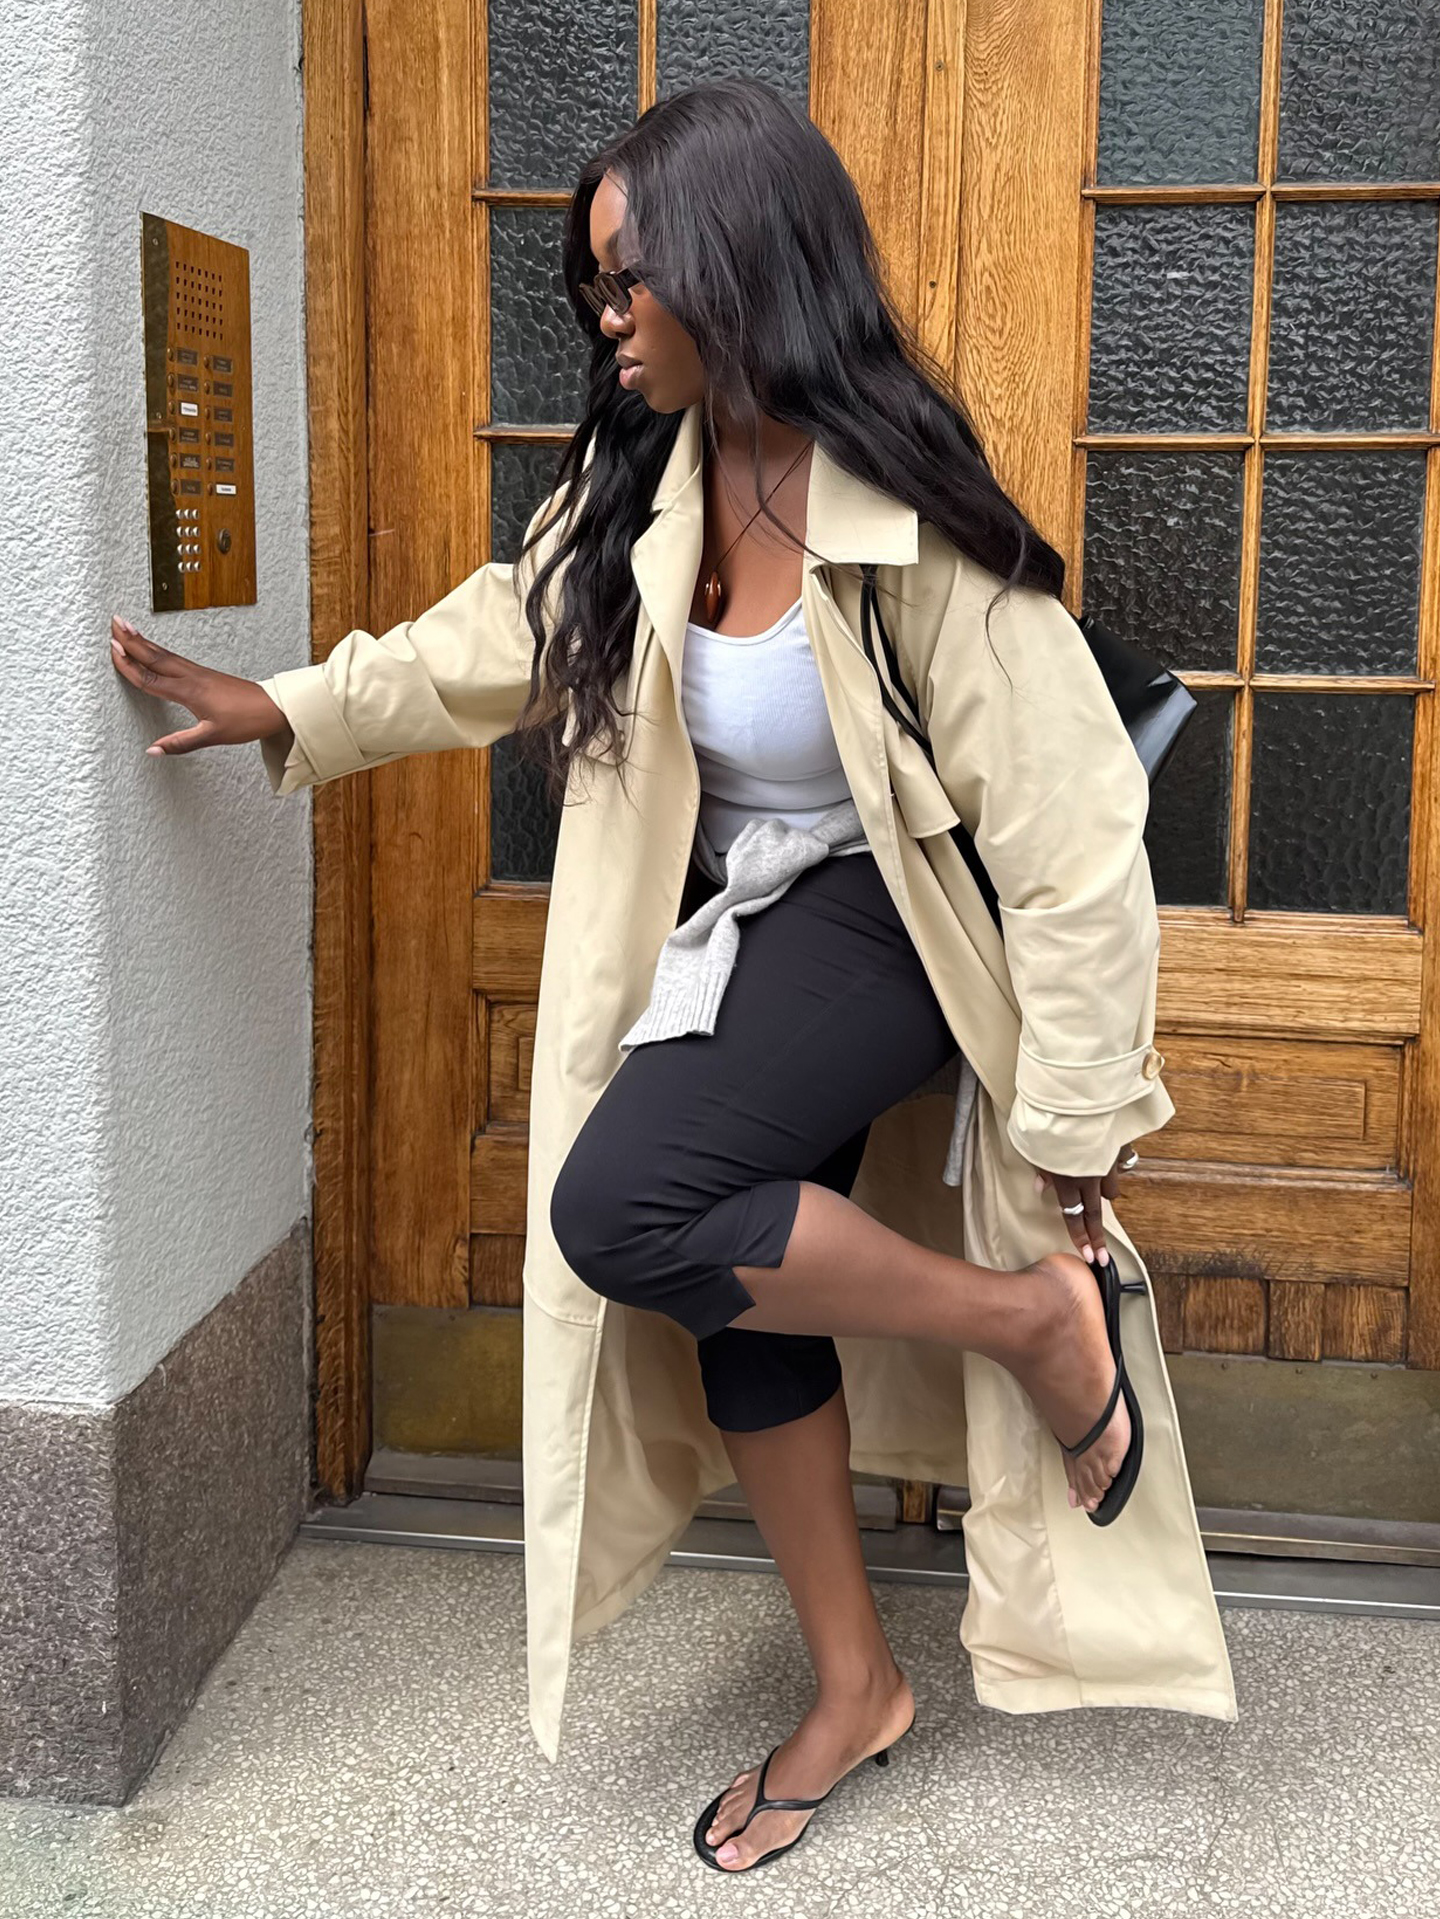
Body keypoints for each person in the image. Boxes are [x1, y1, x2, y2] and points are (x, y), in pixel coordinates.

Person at [111, 76, 1225, 1877]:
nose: (608, 319)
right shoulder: (654, 475)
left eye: (631, 281)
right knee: (723, 1273)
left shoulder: (906, 514)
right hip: (756, 918)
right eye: (592, 289)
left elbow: (1077, 827)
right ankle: (856, 1683)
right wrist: (295, 707)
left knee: (630, 1200)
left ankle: (1038, 1318)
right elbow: (500, 629)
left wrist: (1082, 1122)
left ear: (737, 259)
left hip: (898, 913)